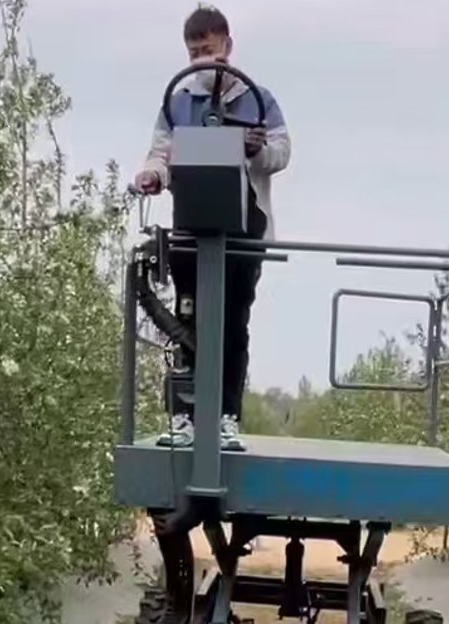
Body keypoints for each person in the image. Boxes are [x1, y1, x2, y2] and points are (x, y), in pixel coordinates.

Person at [133, 4, 291, 451]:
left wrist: (257, 150)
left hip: (243, 230)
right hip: (191, 227)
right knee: (188, 321)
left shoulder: (257, 99)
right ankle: (184, 417)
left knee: (233, 323)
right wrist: (151, 176)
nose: (202, 60)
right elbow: (159, 155)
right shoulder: (178, 101)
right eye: (194, 53)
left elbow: (281, 153)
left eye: (209, 49)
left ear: (228, 46)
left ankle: (225, 418)